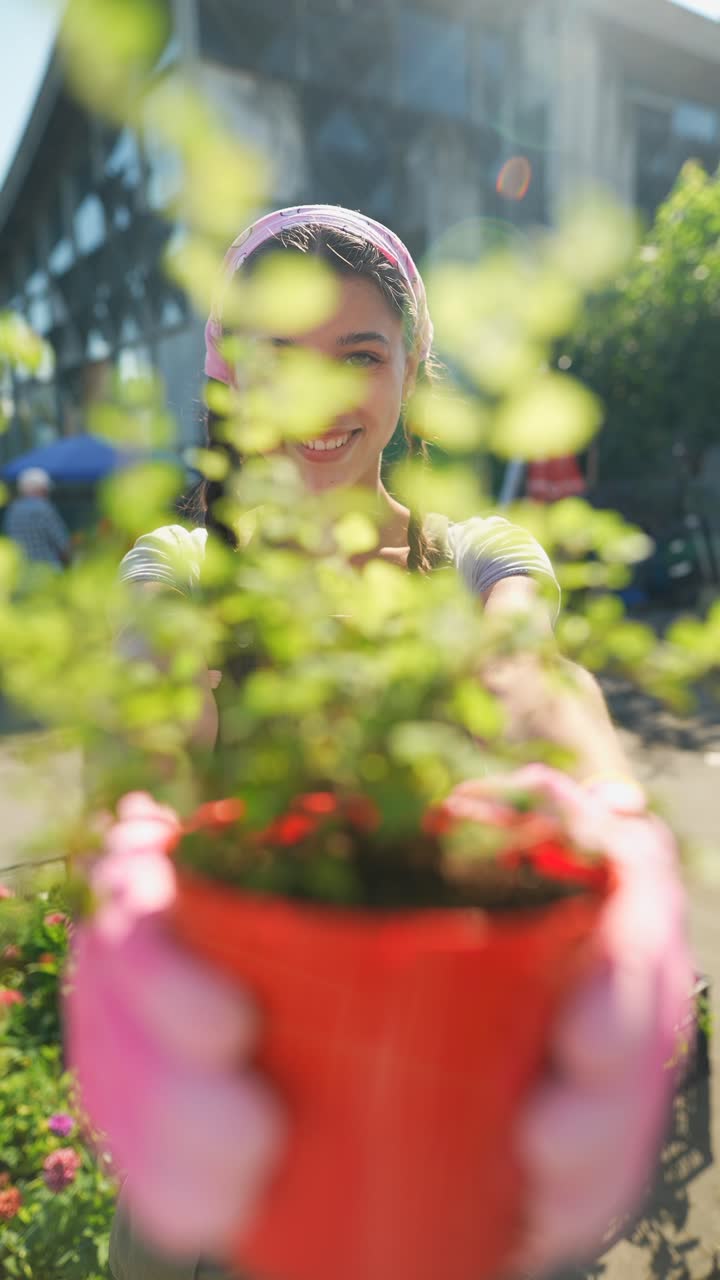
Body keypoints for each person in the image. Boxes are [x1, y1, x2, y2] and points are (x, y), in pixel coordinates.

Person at [65, 206, 693, 1280]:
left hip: (462, 1098)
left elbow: (533, 674)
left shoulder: (478, 555)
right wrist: (133, 848)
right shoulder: (180, 564)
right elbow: (154, 705)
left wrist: (613, 819)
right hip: (231, 1111)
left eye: (360, 354)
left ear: (415, 369)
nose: (320, 395)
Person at [4, 466, 71, 571]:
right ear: (40, 489)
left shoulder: (12, 510)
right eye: (45, 490)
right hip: (48, 571)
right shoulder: (44, 508)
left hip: (22, 574)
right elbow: (62, 544)